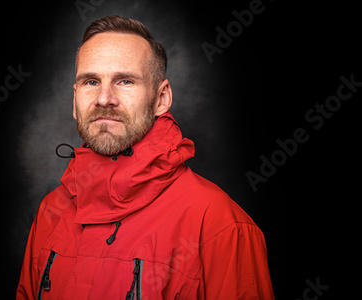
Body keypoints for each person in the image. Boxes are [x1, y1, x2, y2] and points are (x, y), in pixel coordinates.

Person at [17, 15, 274, 299]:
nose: (104, 98)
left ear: (161, 98)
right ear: (75, 101)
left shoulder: (220, 225)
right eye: (91, 81)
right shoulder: (51, 211)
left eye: (125, 81)